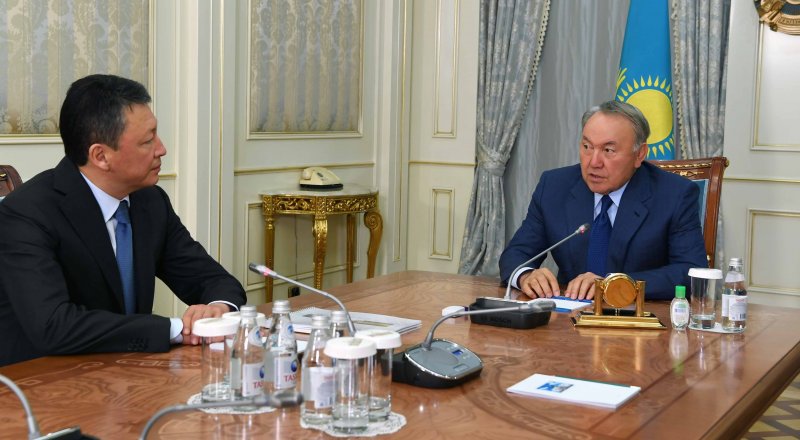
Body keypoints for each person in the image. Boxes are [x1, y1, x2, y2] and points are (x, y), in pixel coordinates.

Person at [0, 74, 247, 366]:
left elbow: (213, 279)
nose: (162, 149)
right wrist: (176, 329)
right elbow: (54, 325)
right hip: (43, 379)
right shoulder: (26, 213)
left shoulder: (150, 201)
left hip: (128, 371)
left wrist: (217, 309)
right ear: (101, 156)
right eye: (148, 140)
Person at [499, 100, 707, 301]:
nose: (594, 162)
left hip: (637, 318)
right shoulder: (554, 187)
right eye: (587, 146)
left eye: (608, 150)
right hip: (568, 315)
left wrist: (613, 284)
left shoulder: (674, 195)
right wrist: (526, 276)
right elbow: (516, 254)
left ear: (639, 154)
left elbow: (691, 272)